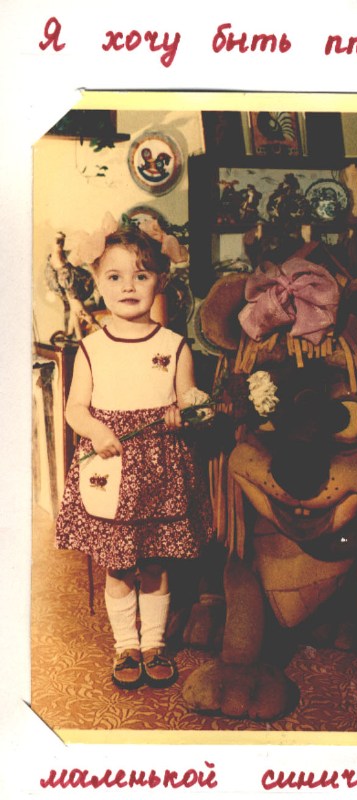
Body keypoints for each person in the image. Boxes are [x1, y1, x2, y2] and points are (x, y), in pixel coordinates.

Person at [55, 227, 213, 690]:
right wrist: (97, 430)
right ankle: (126, 644)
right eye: (115, 276)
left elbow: (193, 403)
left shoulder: (174, 345)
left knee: (155, 564)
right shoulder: (91, 348)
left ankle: (153, 644)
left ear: (160, 280)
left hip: (159, 473)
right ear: (98, 283)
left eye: (141, 275)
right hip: (110, 468)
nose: (128, 286)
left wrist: (186, 413)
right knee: (119, 565)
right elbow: (74, 409)